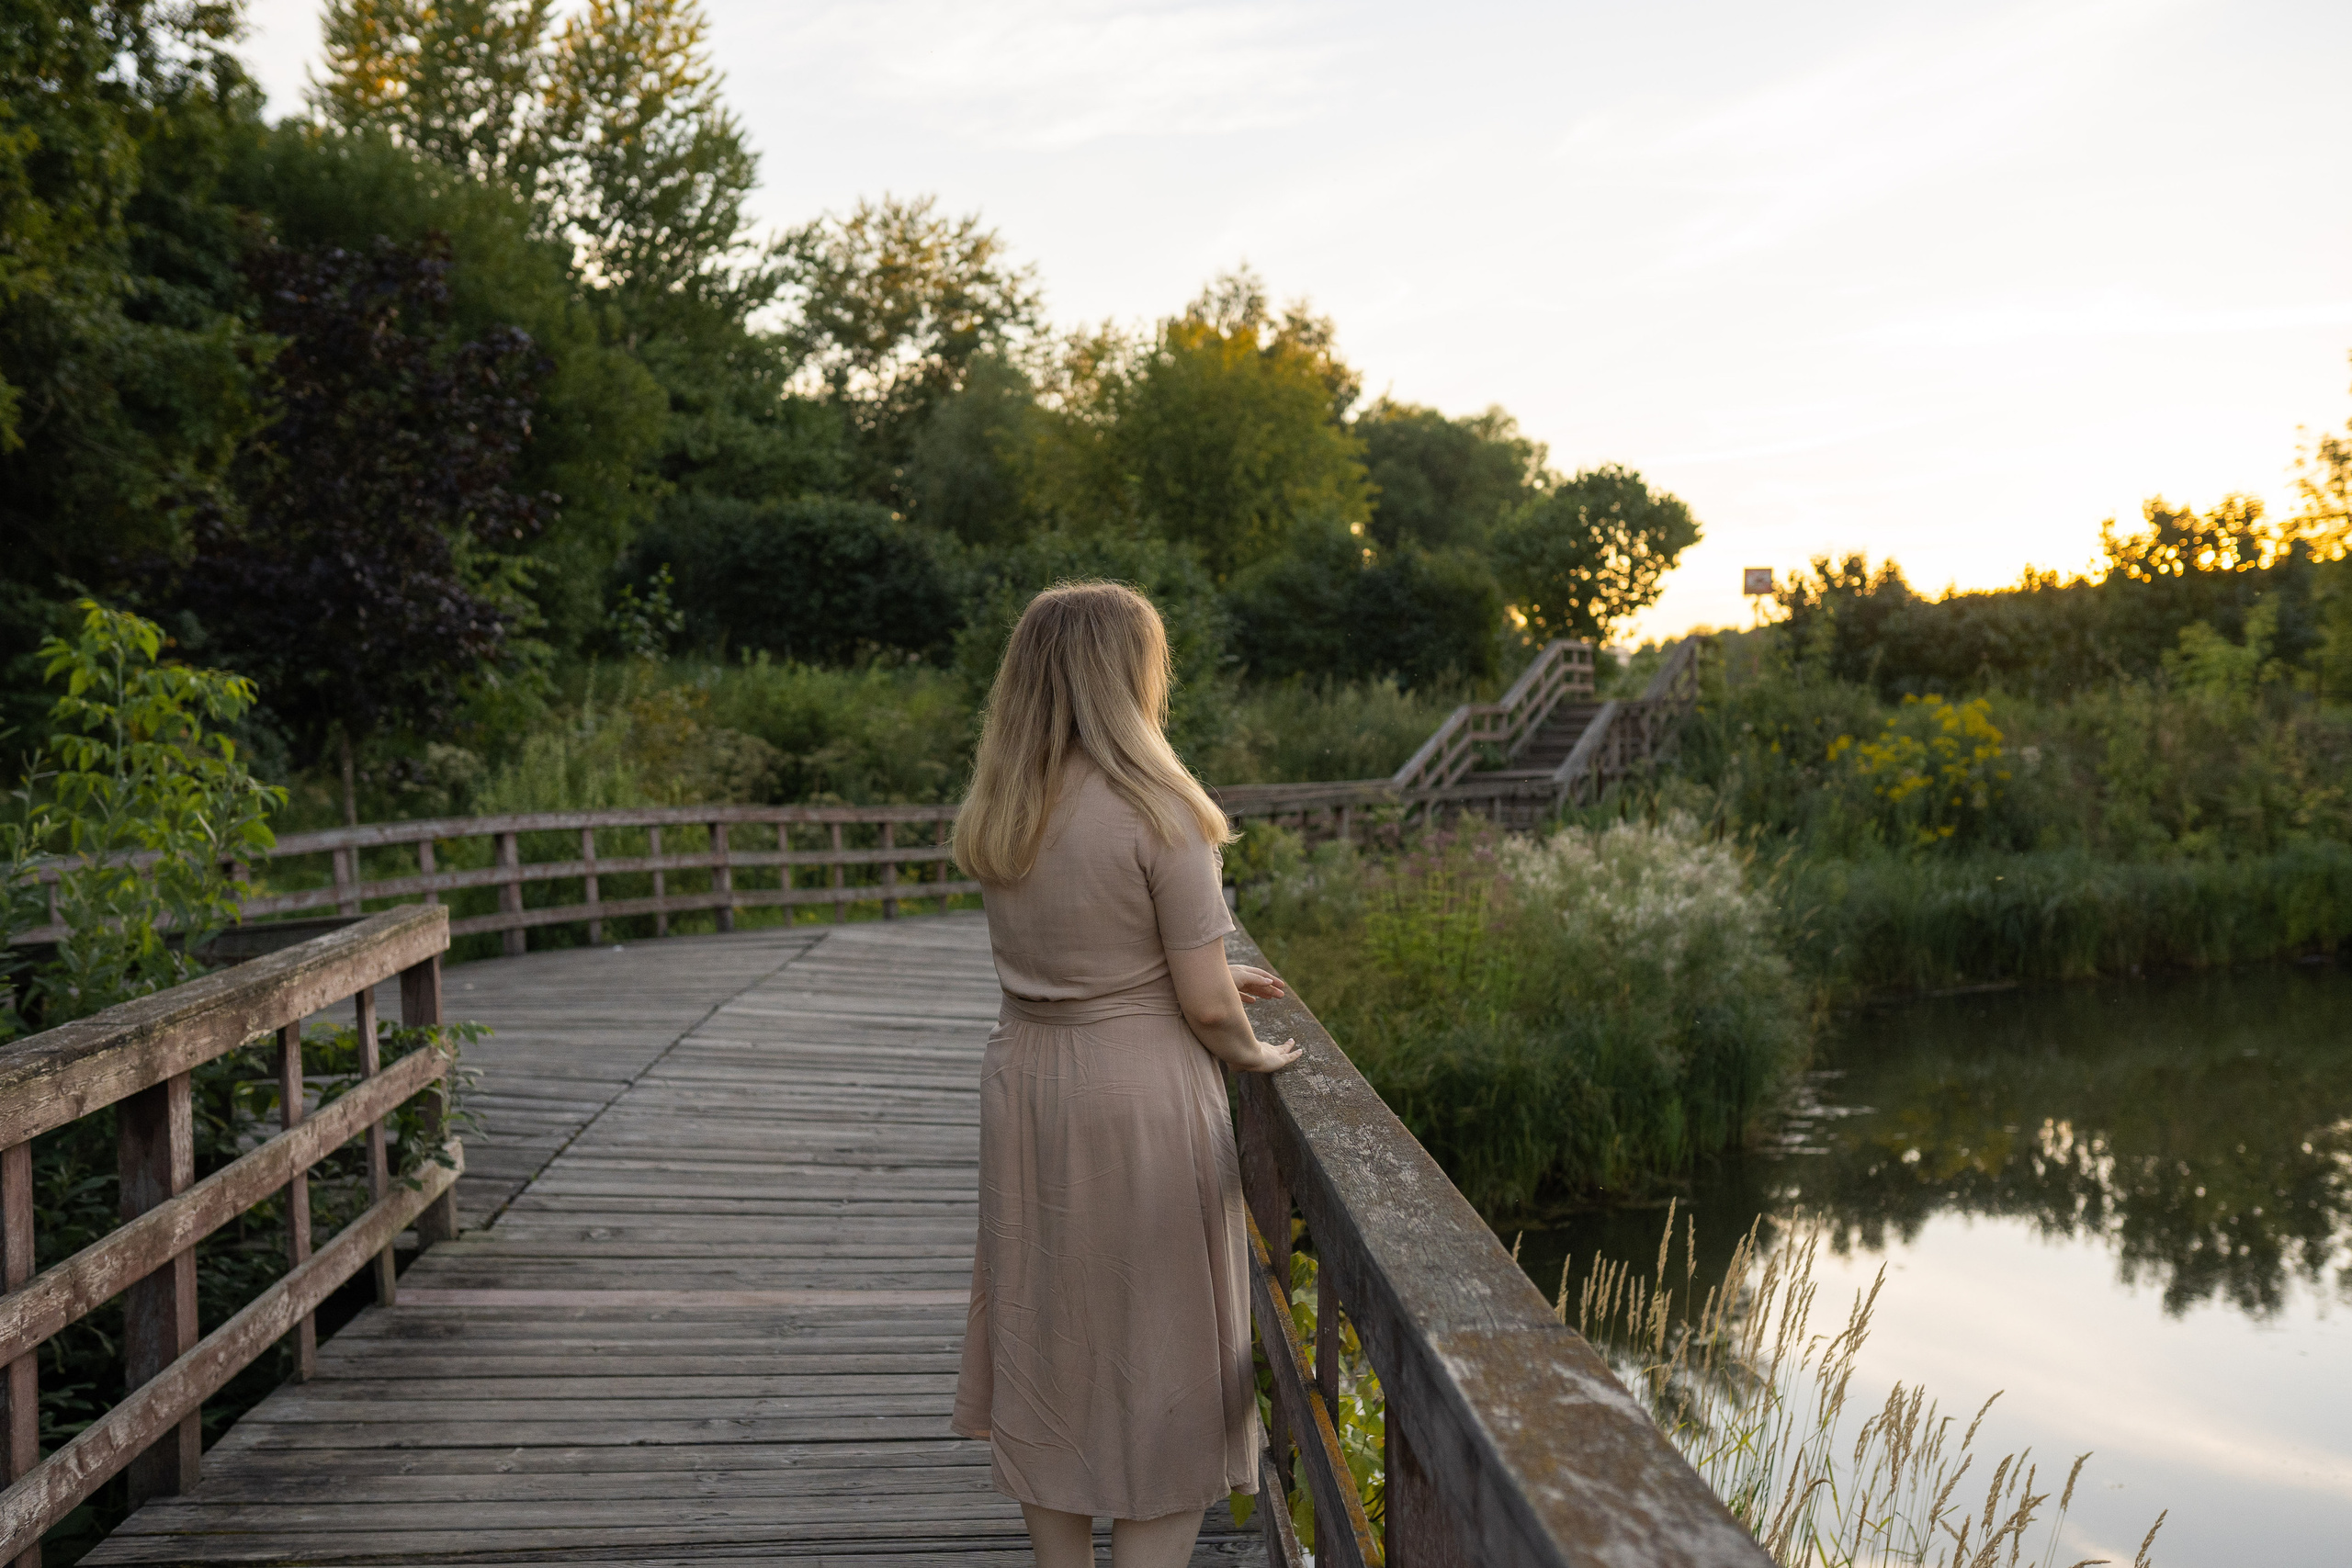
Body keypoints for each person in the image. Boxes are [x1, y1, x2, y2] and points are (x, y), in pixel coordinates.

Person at [950, 581, 1304, 1567]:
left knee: (1048, 1333)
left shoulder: (1006, 806)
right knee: (1164, 1346)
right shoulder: (1161, 808)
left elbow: (1082, 946)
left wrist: (1190, 971)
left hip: (1028, 1084)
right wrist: (1253, 1048)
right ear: (1130, 676)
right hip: (1137, 1095)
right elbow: (1205, 1007)